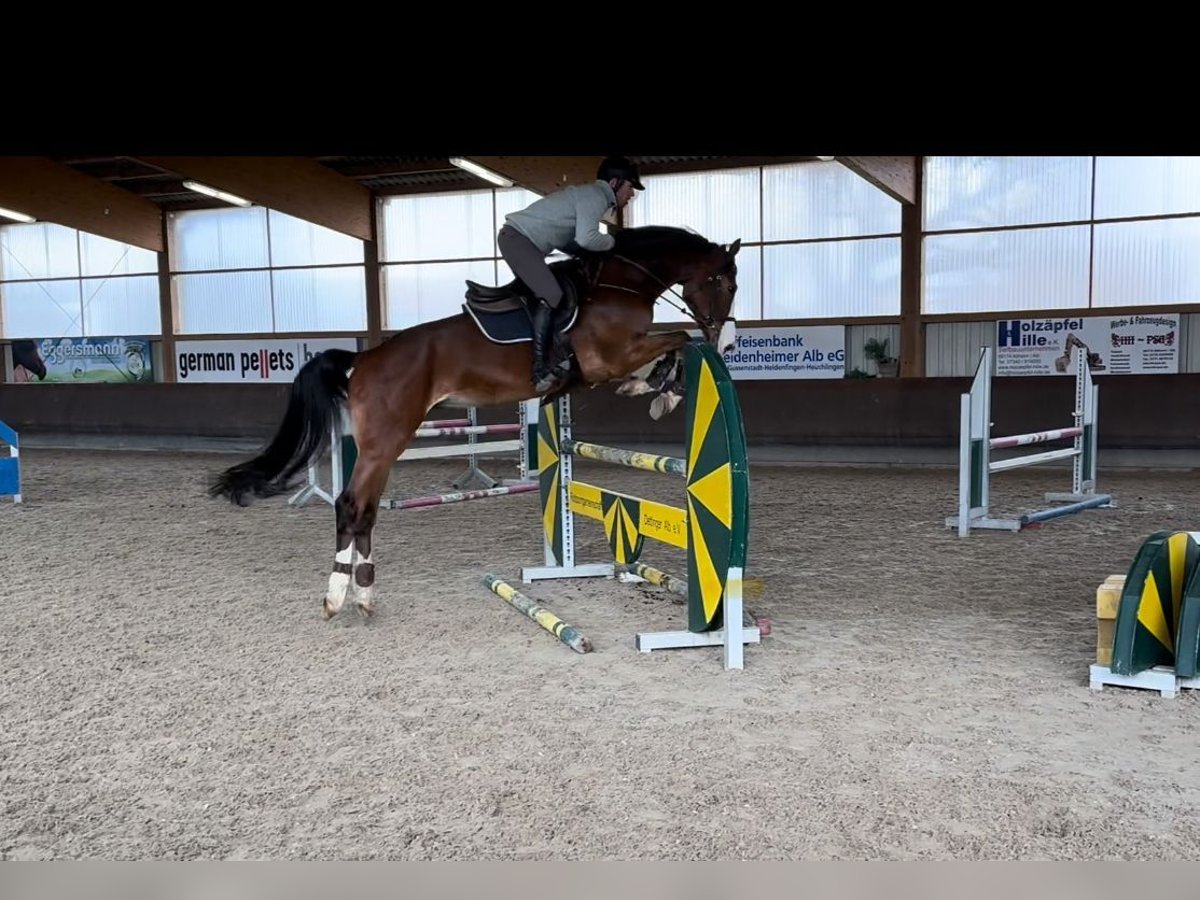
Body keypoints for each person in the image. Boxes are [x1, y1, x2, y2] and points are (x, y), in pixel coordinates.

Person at [498, 155, 645, 392]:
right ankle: (540, 370)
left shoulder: (590, 197)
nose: (631, 195)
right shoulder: (596, 197)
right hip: (518, 241)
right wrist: (616, 243)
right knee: (552, 294)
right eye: (630, 187)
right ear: (615, 183)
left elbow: (570, 241)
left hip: (522, 241)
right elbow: (587, 238)